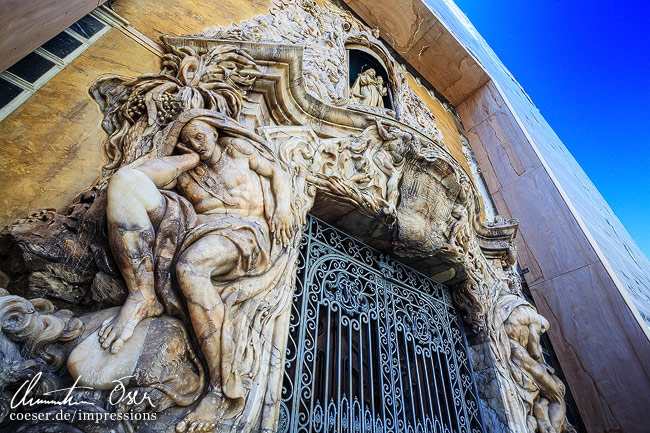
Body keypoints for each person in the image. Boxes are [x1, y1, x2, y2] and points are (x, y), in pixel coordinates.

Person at [98, 109, 295, 432]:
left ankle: (220, 390)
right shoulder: (186, 172)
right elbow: (146, 176)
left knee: (191, 267)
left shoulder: (237, 150)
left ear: (216, 132)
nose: (197, 144)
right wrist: (186, 160)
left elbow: (278, 174)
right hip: (191, 227)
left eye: (201, 135)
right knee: (125, 184)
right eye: (188, 140)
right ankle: (143, 293)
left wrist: (283, 206)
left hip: (245, 235)